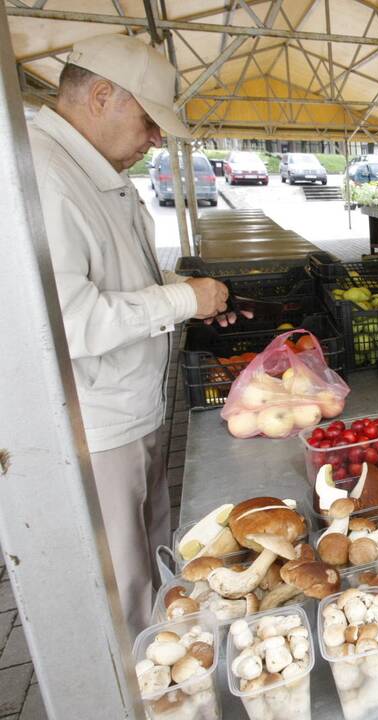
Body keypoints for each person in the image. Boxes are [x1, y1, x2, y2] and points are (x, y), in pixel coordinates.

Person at [27, 34, 240, 634]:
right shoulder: (42, 176)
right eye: (149, 122)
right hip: (96, 425)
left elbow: (117, 276)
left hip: (133, 410)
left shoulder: (91, 170)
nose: (154, 140)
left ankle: (167, 665)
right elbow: (65, 320)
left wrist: (183, 296)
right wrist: (178, 298)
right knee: (123, 585)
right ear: (100, 96)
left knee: (153, 561)